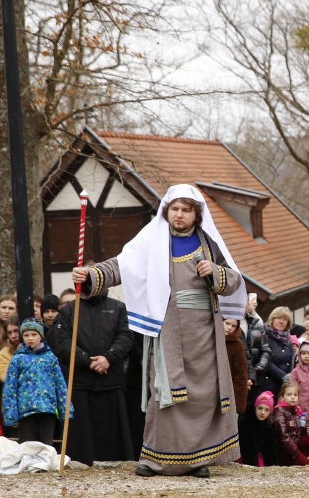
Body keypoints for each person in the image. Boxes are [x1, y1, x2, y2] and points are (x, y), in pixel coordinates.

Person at [72, 184, 246, 478]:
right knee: (164, 391)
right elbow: (120, 266)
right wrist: (91, 274)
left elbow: (233, 280)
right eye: (175, 208)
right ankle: (155, 459)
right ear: (167, 210)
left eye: (186, 210)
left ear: (196, 215)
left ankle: (197, 459)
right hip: (165, 328)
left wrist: (215, 273)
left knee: (200, 395)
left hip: (204, 333)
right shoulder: (151, 241)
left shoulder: (209, 244)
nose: (179, 214)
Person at [53, 289, 135, 466]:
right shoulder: (70, 310)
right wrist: (87, 361)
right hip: (81, 381)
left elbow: (126, 337)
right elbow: (64, 342)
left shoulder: (118, 308)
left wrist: (108, 358)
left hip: (111, 380)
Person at [2, 318, 71, 446]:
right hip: (26, 411)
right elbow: (10, 388)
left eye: (34, 334)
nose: (30, 338)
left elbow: (60, 384)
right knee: (27, 447)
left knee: (46, 446)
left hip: (47, 410)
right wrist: (11, 414)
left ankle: (45, 466)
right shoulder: (18, 359)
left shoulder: (50, 357)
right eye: (26, 335)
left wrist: (66, 409)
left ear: (41, 336)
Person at [273, 382, 309, 466]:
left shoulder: (295, 409)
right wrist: (295, 453)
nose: (292, 397)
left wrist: (306, 430)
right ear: (282, 397)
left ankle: (296, 460)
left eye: (295, 395)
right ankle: (288, 461)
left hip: (294, 444)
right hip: (284, 450)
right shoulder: (279, 411)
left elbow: (297, 428)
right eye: (289, 395)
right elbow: (283, 436)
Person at [238, 391, 277, 467]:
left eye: (266, 410)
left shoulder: (270, 424)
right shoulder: (245, 421)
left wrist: (273, 464)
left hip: (258, 454)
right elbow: (247, 447)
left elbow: (271, 448)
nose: (262, 412)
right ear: (255, 407)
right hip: (242, 456)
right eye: (260, 408)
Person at [0, 315, 20, 416]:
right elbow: (5, 375)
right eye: (10, 333)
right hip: (14, 404)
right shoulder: (4, 353)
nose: (13, 336)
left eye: (16, 331)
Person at [263, 307, 295, 392]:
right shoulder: (264, 335)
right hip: (268, 384)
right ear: (272, 319)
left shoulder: (288, 339)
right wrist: (284, 377)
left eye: (285, 319)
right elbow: (267, 361)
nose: (281, 321)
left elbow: (292, 360)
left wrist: (289, 378)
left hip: (285, 386)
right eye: (279, 318)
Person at [225, 318, 251, 415]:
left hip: (228, 392)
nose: (229, 328)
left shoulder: (237, 346)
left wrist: (238, 404)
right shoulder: (209, 340)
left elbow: (241, 374)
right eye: (227, 323)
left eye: (233, 326)